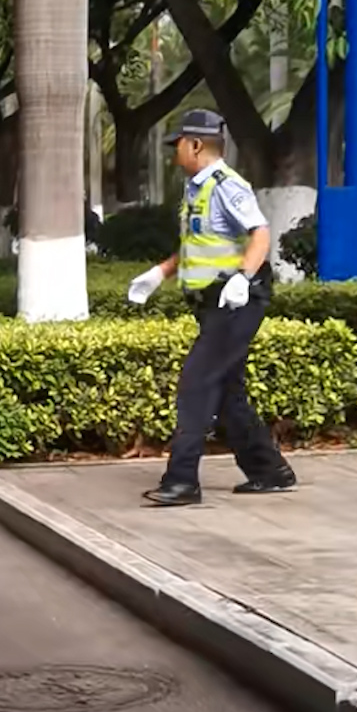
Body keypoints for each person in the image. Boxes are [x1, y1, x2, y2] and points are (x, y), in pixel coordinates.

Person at [126, 108, 296, 506]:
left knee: (196, 385)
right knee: (224, 391)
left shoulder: (226, 184)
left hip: (235, 300)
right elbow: (198, 245)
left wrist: (242, 276)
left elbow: (260, 233)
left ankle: (182, 481)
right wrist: (160, 273)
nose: (175, 154)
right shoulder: (196, 188)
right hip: (213, 303)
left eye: (178, 146)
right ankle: (269, 470)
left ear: (196, 145)